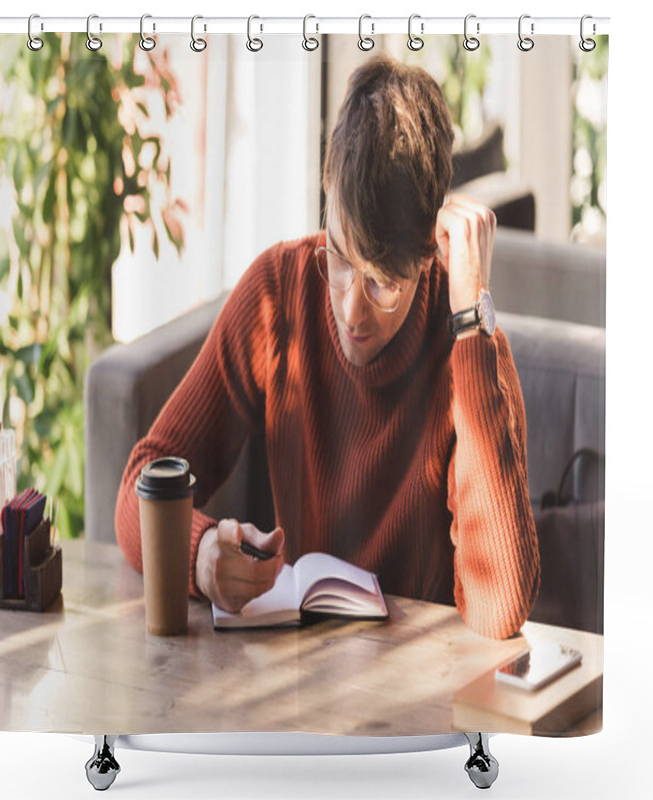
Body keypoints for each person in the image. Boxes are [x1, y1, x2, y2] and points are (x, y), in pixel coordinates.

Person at [116, 54, 540, 641]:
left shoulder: (467, 344)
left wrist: (471, 326)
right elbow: (139, 484)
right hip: (297, 681)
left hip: (416, 701)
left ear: (428, 253)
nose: (350, 309)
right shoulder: (277, 292)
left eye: (382, 282)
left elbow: (501, 609)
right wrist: (202, 554)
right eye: (340, 259)